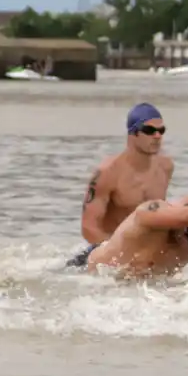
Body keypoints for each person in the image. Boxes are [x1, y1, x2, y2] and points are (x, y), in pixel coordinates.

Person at [73, 102, 175, 265]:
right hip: (106, 253)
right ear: (132, 133)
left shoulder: (165, 167)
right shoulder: (107, 173)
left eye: (161, 131)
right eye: (149, 131)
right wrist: (117, 253)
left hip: (142, 252)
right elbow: (89, 227)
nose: (157, 136)